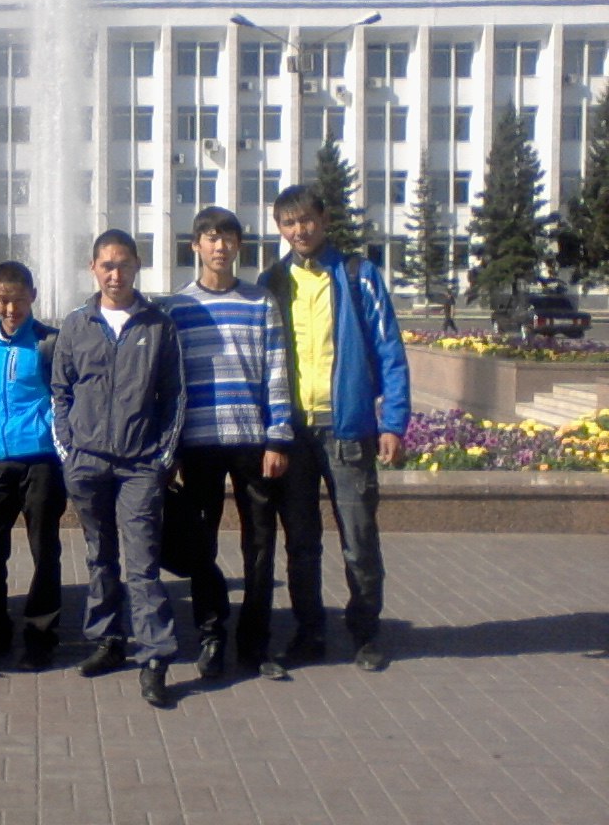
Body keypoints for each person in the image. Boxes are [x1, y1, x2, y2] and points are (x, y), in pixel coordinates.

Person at [259, 185, 410, 672]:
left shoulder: (357, 274)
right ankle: (310, 633)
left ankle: (366, 632)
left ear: (323, 220)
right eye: (289, 223)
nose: (299, 230)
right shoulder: (273, 280)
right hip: (294, 433)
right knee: (301, 543)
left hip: (347, 428)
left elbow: (389, 351)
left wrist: (392, 422)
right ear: (279, 228)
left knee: (359, 539)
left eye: (306, 220)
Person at [52, 229, 185, 708]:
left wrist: (161, 456)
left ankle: (155, 658)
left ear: (136, 267)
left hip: (139, 465)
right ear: (93, 268)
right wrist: (69, 451)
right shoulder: (76, 324)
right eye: (107, 265)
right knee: (99, 555)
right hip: (87, 462)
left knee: (143, 563)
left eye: (124, 264)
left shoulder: (157, 325)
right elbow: (60, 391)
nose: (115, 274)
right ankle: (108, 640)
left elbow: (174, 395)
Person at [164, 207, 293, 682]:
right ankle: (211, 634)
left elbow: (277, 371)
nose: (220, 246)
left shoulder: (261, 303)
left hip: (252, 442)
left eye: (228, 238)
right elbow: (170, 384)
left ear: (239, 245)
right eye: (211, 238)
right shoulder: (177, 308)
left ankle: (255, 643)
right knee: (202, 545)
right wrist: (171, 448)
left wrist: (278, 436)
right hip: (199, 444)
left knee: (259, 543)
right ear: (195, 246)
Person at [0, 261, 65, 671]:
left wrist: (48, 425)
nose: (11, 309)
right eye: (3, 301)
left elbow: (64, 395)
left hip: (40, 459)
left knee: (45, 549)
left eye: (19, 300)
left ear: (33, 298)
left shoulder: (47, 342)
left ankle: (40, 635)